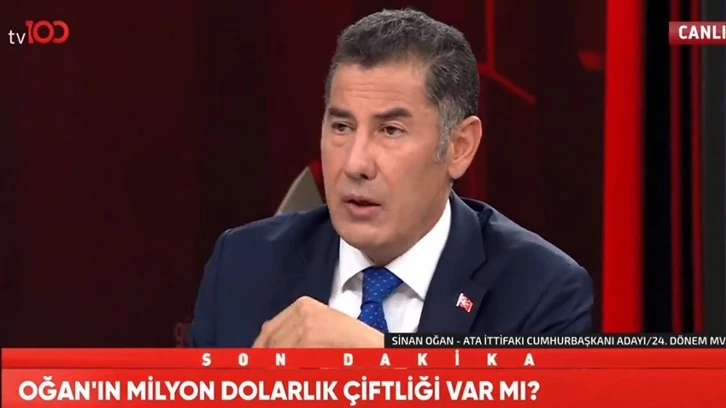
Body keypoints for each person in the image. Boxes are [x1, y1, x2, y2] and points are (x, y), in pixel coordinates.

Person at [188, 9, 593, 348]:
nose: (355, 164)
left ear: (459, 146)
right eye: (342, 126)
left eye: (390, 131)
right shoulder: (243, 265)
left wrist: (383, 363)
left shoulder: (539, 291)